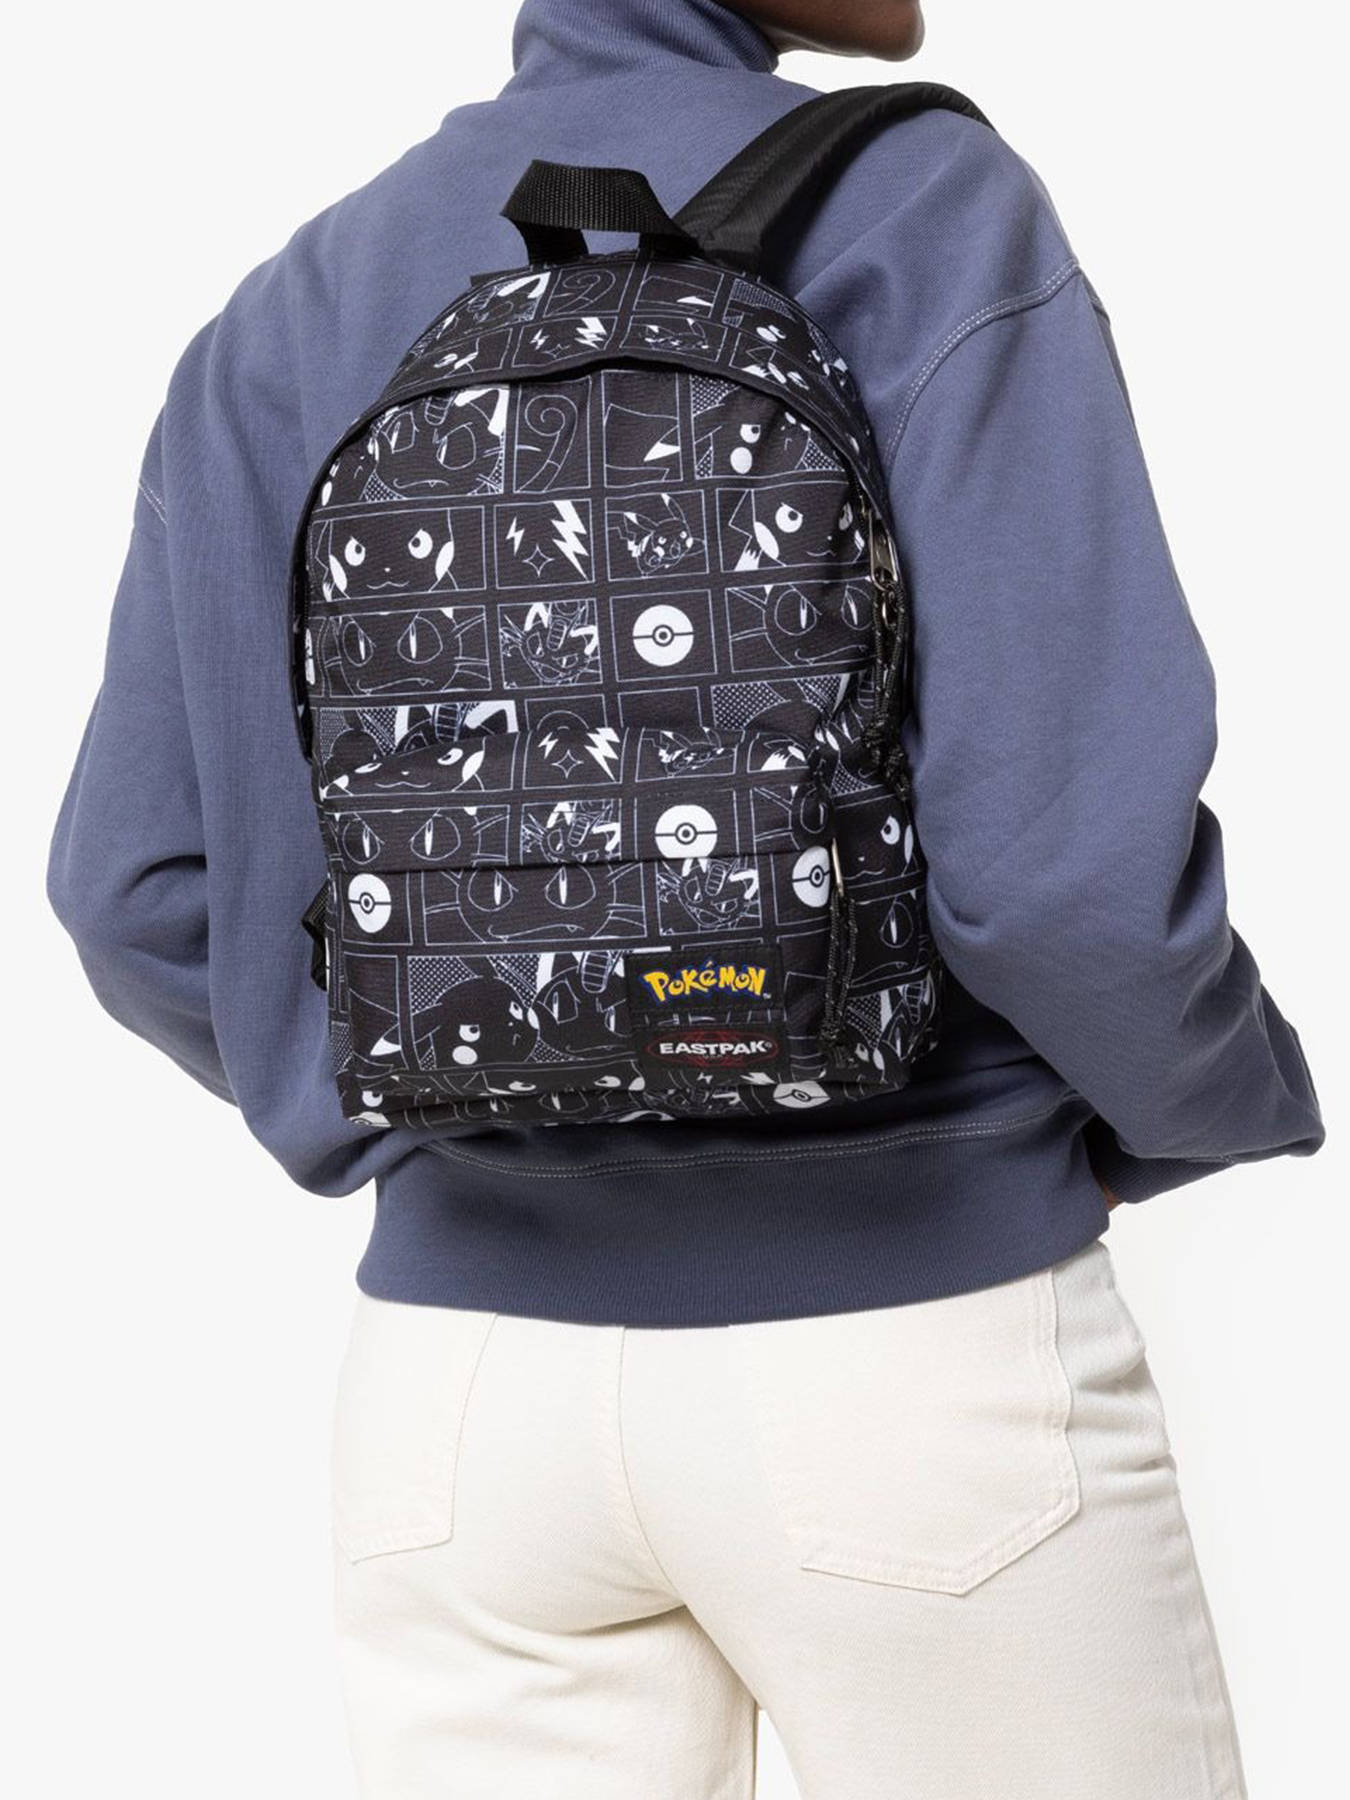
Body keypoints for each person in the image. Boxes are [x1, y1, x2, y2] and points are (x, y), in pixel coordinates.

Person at [48, 1, 1323, 1794]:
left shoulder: (300, 298)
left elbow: (134, 893)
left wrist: (446, 1110)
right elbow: (1060, 881)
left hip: (457, 1411)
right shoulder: (922, 210)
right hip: (906, 1360)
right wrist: (1205, 1105)